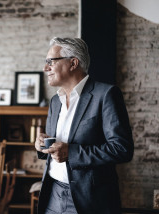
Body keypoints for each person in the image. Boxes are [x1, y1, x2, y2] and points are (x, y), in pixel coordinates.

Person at [35, 37, 134, 214]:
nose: (45, 68)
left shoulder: (106, 95)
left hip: (88, 200)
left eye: (50, 61)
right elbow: (55, 147)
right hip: (52, 193)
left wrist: (71, 152)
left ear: (73, 63)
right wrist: (41, 145)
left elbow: (122, 148)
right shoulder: (55, 101)